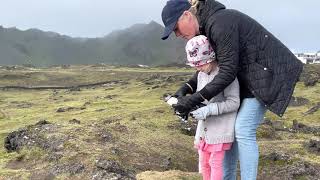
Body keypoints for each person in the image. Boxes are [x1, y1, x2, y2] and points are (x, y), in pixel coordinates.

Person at [161, 0, 303, 179]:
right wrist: (185, 89)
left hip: (267, 75)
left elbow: (227, 72)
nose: (177, 34)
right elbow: (212, 65)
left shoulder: (219, 23)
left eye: (176, 28)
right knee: (230, 132)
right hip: (248, 77)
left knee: (243, 129)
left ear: (186, 15)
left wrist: (193, 99)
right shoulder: (207, 26)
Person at [184, 35, 240, 180]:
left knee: (215, 163)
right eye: (195, 65)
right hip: (204, 130)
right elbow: (202, 97)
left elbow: (234, 102)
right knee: (203, 162)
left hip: (220, 130)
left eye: (200, 64)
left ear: (210, 57)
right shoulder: (201, 75)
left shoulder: (226, 75)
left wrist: (210, 109)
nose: (198, 68)